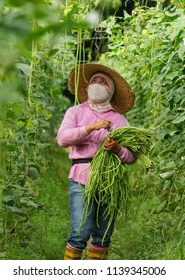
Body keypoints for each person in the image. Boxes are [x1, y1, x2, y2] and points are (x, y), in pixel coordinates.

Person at [57, 63, 136, 260]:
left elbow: (132, 156)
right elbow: (63, 139)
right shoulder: (74, 112)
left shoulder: (119, 120)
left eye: (103, 82)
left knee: (103, 236)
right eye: (94, 81)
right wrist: (91, 127)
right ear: (86, 88)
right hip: (80, 177)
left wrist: (118, 150)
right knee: (80, 233)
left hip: (110, 180)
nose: (98, 84)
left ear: (111, 91)